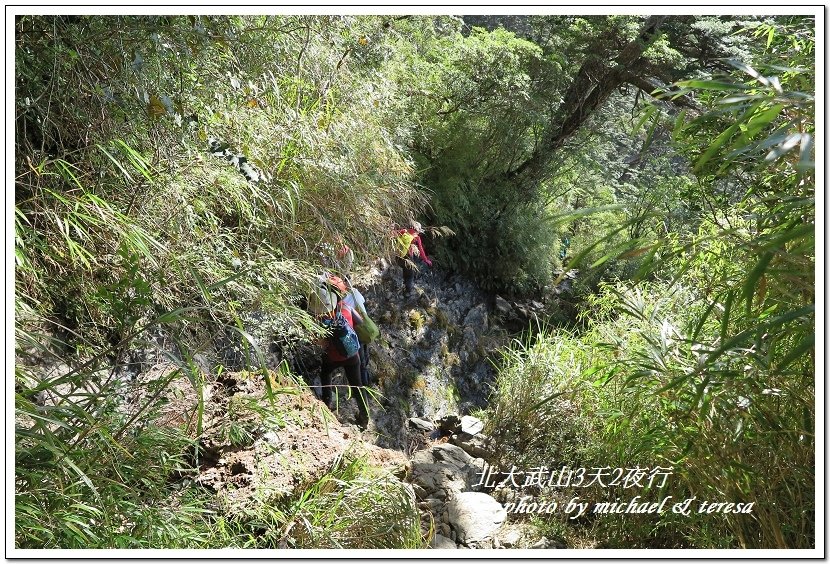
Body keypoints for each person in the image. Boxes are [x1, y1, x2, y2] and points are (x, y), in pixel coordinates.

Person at [308, 281, 369, 428]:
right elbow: (360, 322)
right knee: (357, 386)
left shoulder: (320, 320)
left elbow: (320, 343)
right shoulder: (345, 307)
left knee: (325, 374)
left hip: (333, 358)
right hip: (353, 355)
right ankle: (364, 417)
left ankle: (327, 404)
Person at [394, 220, 432, 296]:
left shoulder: (403, 231)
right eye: (418, 231)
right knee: (410, 275)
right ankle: (408, 293)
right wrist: (426, 260)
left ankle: (403, 286)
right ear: (416, 230)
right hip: (408, 258)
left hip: (397, 256)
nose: (418, 233)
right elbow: (421, 250)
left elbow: (393, 234)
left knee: (405, 271)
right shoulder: (416, 238)